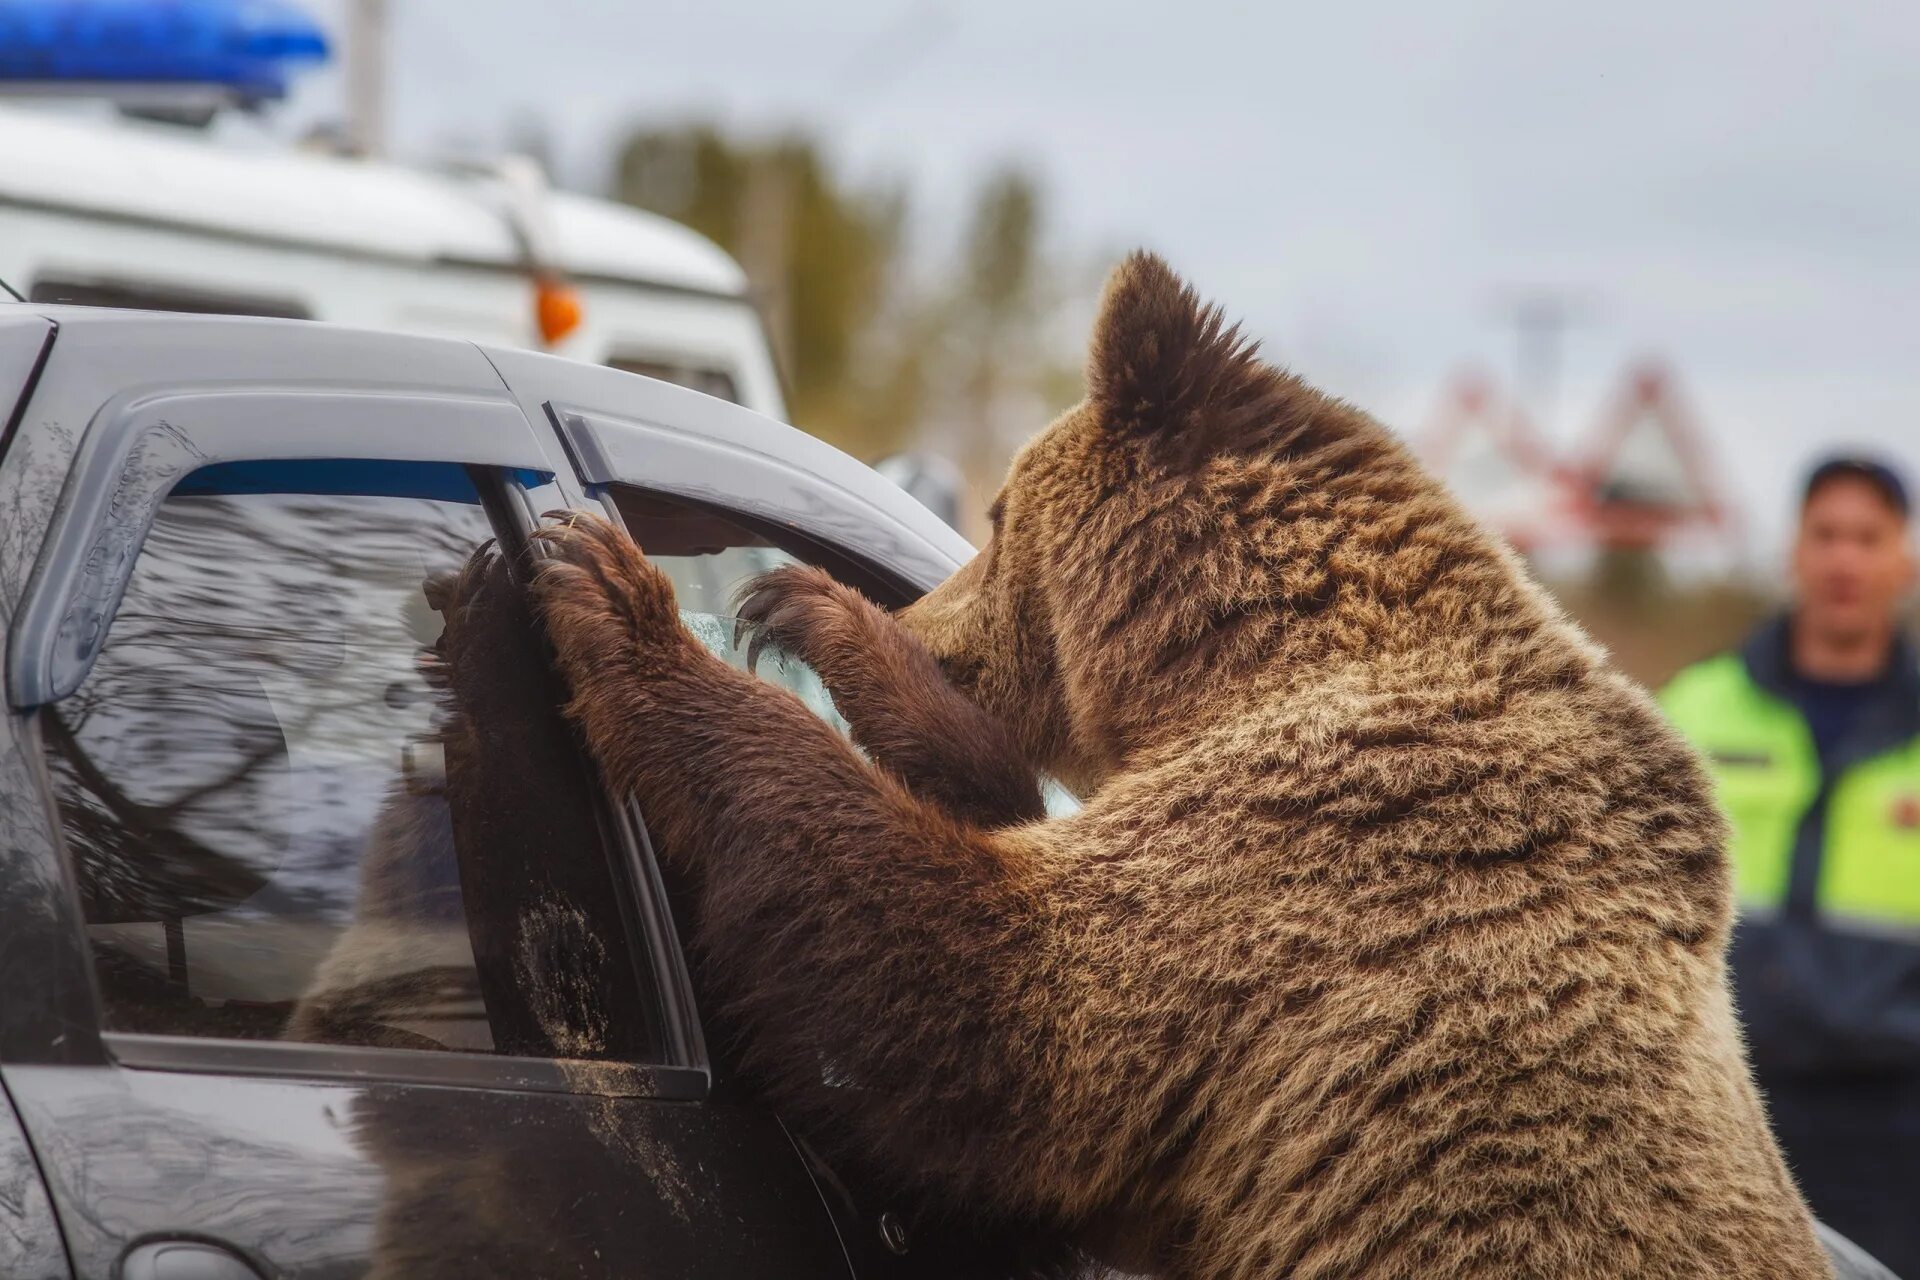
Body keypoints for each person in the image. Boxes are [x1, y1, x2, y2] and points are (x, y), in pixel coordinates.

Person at [1661, 454, 1920, 1274]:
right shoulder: (1694, 709)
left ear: (1904, 560)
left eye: (1868, 538)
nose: (1846, 559)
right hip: (1721, 1106)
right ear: (1794, 553)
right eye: (1827, 535)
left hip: (1896, 1130)